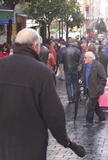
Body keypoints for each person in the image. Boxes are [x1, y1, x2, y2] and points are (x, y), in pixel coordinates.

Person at [0, 28, 85, 160]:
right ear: (36, 46)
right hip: (31, 144)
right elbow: (53, 113)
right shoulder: (42, 73)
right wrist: (66, 141)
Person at [82, 51, 107, 125]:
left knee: (90, 105)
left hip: (95, 89)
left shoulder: (98, 66)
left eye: (85, 57)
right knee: (95, 105)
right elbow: (84, 75)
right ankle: (102, 117)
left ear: (90, 58)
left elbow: (103, 78)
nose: (84, 59)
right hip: (88, 88)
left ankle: (89, 121)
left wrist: (99, 88)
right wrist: (81, 80)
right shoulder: (85, 65)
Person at [61, 38, 81, 103]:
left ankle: (70, 98)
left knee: (68, 84)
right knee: (75, 84)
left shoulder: (64, 50)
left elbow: (61, 60)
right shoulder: (77, 50)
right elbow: (79, 60)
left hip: (66, 69)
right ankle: (74, 98)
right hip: (75, 69)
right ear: (72, 43)